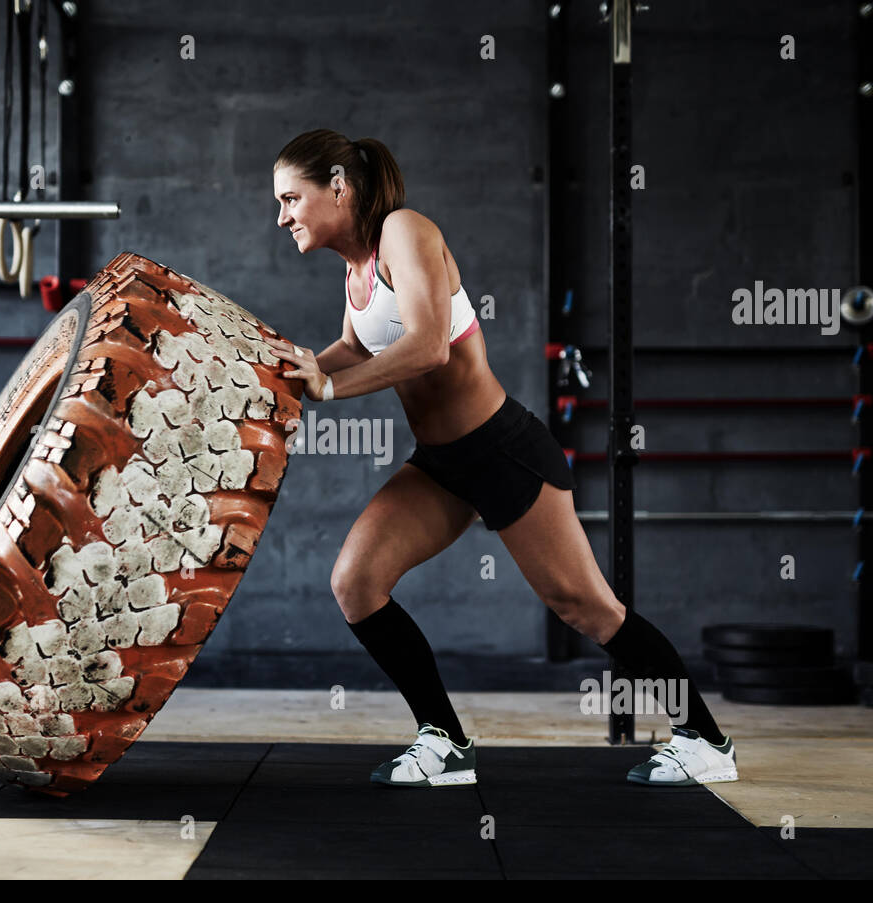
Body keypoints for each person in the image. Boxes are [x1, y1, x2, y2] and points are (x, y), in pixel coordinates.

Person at [264, 129, 737, 789]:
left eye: (292, 197)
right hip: (440, 464)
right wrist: (288, 372)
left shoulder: (405, 231)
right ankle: (445, 740)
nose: (282, 215)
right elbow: (352, 346)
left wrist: (329, 385)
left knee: (585, 605)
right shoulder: (355, 269)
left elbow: (429, 346)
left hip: (502, 450)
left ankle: (707, 739)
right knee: (356, 582)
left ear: (338, 186)